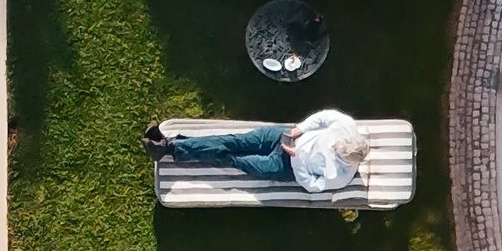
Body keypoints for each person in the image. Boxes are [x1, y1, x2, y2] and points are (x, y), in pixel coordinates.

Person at [146, 108, 370, 194]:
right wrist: (299, 130)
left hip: (284, 166)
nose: (332, 146)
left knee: (232, 158)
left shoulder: (340, 176)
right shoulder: (346, 126)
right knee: (233, 141)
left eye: (336, 152)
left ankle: (172, 149)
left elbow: (312, 186)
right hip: (283, 136)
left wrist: (297, 158)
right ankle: (170, 146)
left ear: (347, 161)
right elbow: (324, 117)